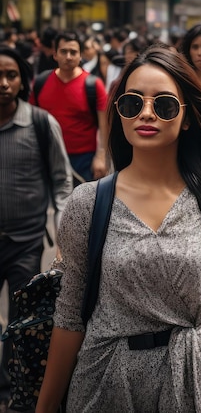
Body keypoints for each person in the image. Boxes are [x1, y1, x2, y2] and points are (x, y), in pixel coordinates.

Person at [35, 45, 201, 413]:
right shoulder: (87, 203)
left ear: (186, 118)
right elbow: (70, 314)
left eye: (164, 104)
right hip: (103, 384)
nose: (147, 113)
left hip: (188, 386)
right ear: (119, 112)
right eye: (132, 103)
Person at [0, 46, 73, 412]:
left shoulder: (41, 123)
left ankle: (15, 390)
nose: (3, 83)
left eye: (11, 75)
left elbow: (62, 183)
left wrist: (64, 233)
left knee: (21, 321)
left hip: (25, 241)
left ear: (22, 81)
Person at [30, 31, 108, 183]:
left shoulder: (93, 84)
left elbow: (104, 125)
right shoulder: (40, 82)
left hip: (84, 158)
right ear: (55, 54)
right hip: (47, 154)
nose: (68, 57)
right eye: (63, 51)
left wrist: (101, 156)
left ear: (80, 56)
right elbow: (32, 120)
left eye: (73, 52)